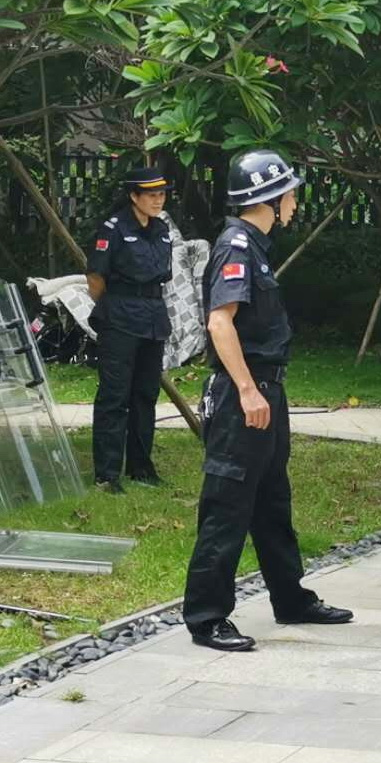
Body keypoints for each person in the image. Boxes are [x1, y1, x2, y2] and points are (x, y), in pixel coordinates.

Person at [182, 149, 352, 652]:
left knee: (272, 499)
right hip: (245, 394)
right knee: (227, 504)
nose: (295, 202)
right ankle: (206, 617)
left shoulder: (255, 246)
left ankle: (290, 598)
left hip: (266, 390)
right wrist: (247, 390)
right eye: (290, 194)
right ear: (269, 199)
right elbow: (220, 322)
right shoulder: (236, 246)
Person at [86, 169, 173, 493]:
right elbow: (96, 277)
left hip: (153, 317)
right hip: (121, 317)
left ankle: (141, 468)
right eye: (151, 195)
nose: (158, 200)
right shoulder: (114, 228)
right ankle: (107, 475)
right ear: (134, 197)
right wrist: (112, 309)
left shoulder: (161, 229)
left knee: (145, 395)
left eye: (161, 194)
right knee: (115, 396)